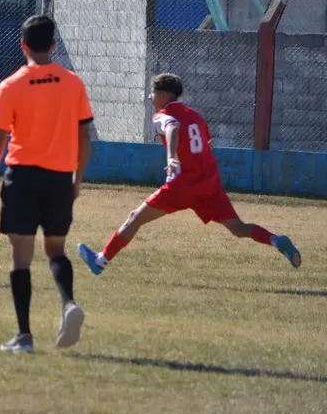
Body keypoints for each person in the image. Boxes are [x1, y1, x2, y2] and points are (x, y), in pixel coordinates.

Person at [78, 73, 301, 275]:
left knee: (135, 218)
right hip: (209, 184)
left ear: (164, 95)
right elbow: (207, 145)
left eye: (152, 93)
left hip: (183, 185)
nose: (150, 98)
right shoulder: (196, 116)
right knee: (238, 228)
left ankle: (101, 261)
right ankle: (276, 240)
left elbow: (172, 127)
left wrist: (171, 156)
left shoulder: (162, 115)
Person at [0, 15, 93, 354]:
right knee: (56, 249)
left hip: (23, 177)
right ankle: (68, 302)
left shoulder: (12, 85)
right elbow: (84, 135)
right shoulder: (73, 83)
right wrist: (77, 178)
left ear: (23, 45)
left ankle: (24, 336)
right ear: (53, 45)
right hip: (59, 179)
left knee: (21, 257)